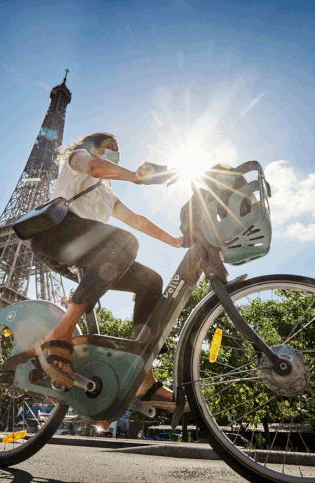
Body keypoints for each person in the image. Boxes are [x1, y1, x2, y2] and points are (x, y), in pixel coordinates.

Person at [30, 132, 183, 412]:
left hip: (87, 251)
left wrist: (175, 241)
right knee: (123, 241)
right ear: (92, 147)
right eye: (110, 147)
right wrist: (137, 177)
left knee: (151, 281)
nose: (115, 152)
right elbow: (96, 167)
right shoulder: (78, 159)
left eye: (118, 149)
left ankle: (144, 379)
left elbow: (137, 220)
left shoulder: (105, 192)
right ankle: (59, 335)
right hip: (56, 235)